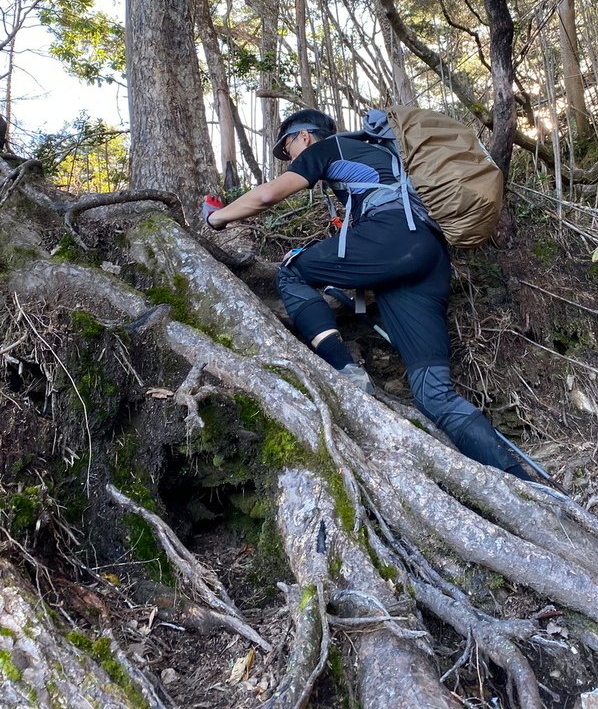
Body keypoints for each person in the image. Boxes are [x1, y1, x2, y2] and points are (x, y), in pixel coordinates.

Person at [203, 108, 527, 478]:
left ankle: (345, 369)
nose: (288, 156)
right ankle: (523, 485)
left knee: (292, 273)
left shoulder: (329, 148)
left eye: (287, 146)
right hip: (429, 253)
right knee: (432, 392)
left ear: (305, 137)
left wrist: (218, 217)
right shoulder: (382, 153)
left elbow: (266, 197)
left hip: (391, 237)